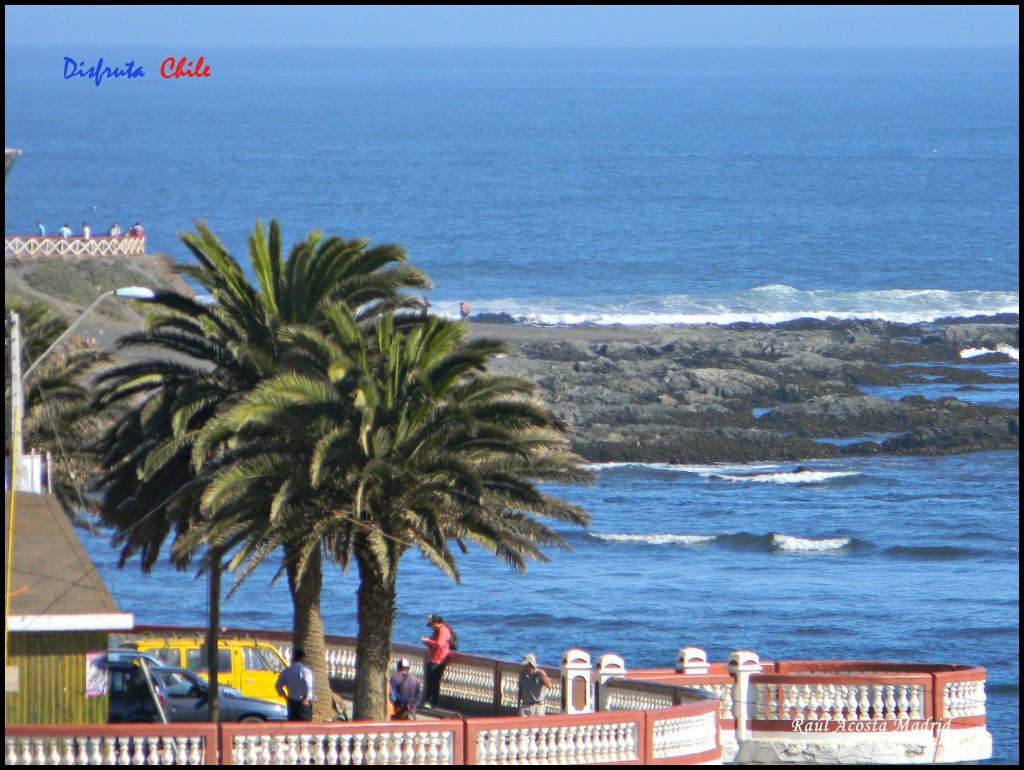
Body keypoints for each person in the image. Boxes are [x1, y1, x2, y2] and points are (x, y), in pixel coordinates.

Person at [420, 614, 452, 708]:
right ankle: (429, 700)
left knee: (434, 682)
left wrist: (427, 641)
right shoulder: (438, 631)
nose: (431, 628)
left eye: (431, 625)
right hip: (433, 659)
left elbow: (439, 644)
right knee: (431, 681)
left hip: (438, 661)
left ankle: (432, 701)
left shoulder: (443, 631)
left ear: (436, 623)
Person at [275, 647, 314, 721]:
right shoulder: (305, 671)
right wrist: (305, 698)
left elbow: (278, 686)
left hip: (291, 702)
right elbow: (308, 685)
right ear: (302, 658)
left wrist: (285, 697)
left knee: (293, 726)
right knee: (305, 727)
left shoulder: (286, 671)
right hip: (303, 703)